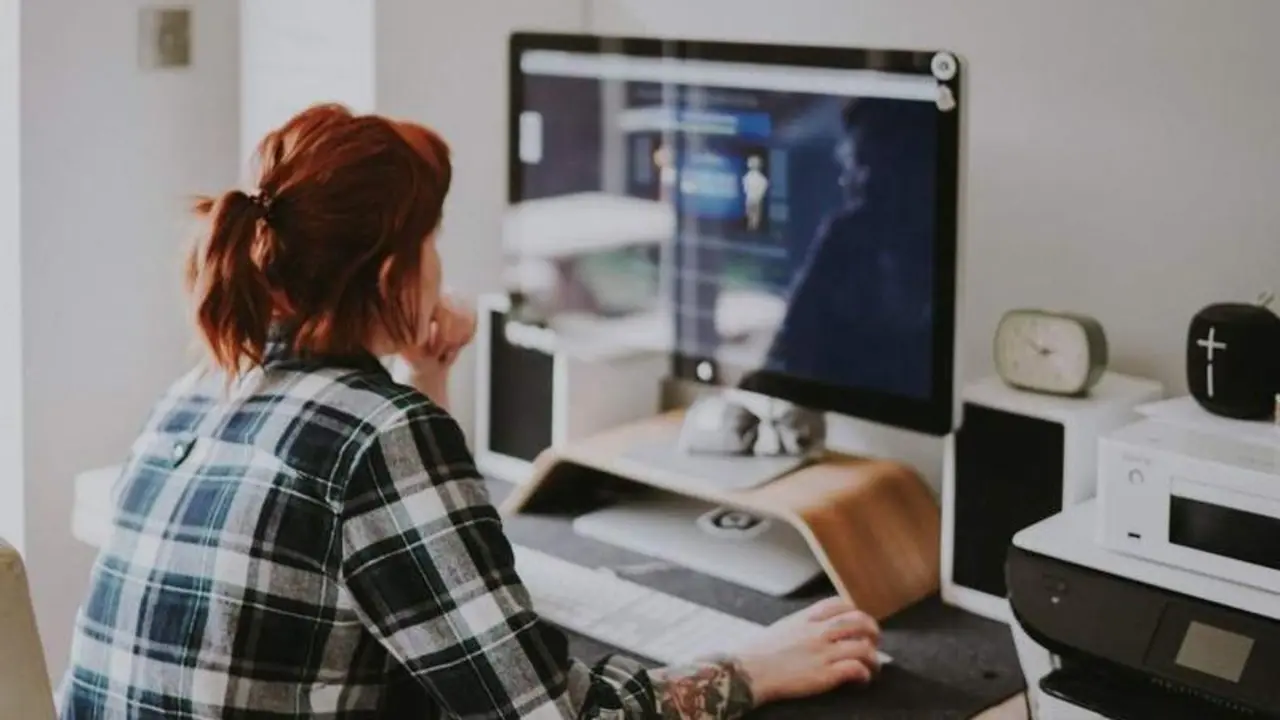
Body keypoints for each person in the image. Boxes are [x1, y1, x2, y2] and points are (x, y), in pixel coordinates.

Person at [57, 104, 882, 719]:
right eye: (432, 238)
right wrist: (753, 667)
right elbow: (552, 716)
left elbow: (418, 581)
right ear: (392, 276)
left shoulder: (201, 388)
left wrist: (422, 374)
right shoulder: (378, 435)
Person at [747, 97, 937, 400]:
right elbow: (787, 350)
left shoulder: (941, 257)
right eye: (856, 163)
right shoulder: (847, 238)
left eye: (870, 164)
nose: (853, 180)